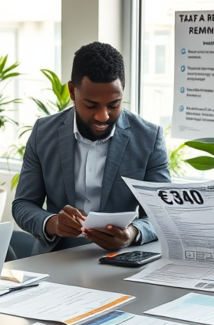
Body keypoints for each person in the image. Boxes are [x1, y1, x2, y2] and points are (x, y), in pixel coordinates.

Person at [12, 42, 172, 254]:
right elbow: (23, 205)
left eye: (114, 105)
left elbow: (163, 213)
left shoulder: (148, 138)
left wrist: (132, 233)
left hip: (121, 258)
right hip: (55, 256)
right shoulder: (43, 132)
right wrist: (53, 223)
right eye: (91, 105)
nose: (102, 116)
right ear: (72, 91)